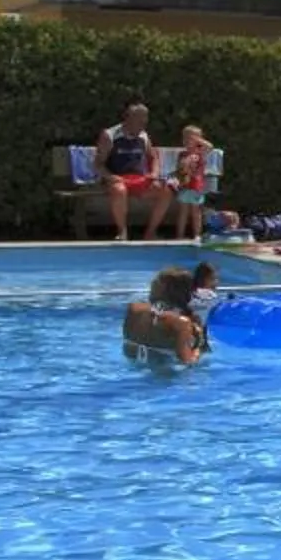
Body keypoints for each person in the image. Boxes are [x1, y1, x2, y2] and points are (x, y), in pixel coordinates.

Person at [98, 103, 175, 242]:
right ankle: (122, 232)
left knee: (166, 191)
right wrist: (110, 177)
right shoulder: (109, 135)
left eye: (144, 122)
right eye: (139, 122)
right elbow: (98, 164)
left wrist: (154, 173)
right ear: (128, 119)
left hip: (139, 179)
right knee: (119, 190)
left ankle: (150, 233)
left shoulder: (143, 136)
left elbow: (153, 157)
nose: (142, 126)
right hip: (117, 179)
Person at [122, 262, 210, 365]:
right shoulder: (181, 323)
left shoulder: (134, 308)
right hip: (164, 375)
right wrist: (199, 343)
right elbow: (187, 362)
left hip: (133, 366)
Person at [168, 125, 216, 241]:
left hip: (196, 187)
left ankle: (197, 235)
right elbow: (179, 170)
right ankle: (179, 235)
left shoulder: (201, 153)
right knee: (183, 212)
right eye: (186, 138)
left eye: (192, 138)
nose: (188, 140)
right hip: (185, 186)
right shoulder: (182, 155)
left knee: (196, 212)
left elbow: (210, 147)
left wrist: (197, 140)